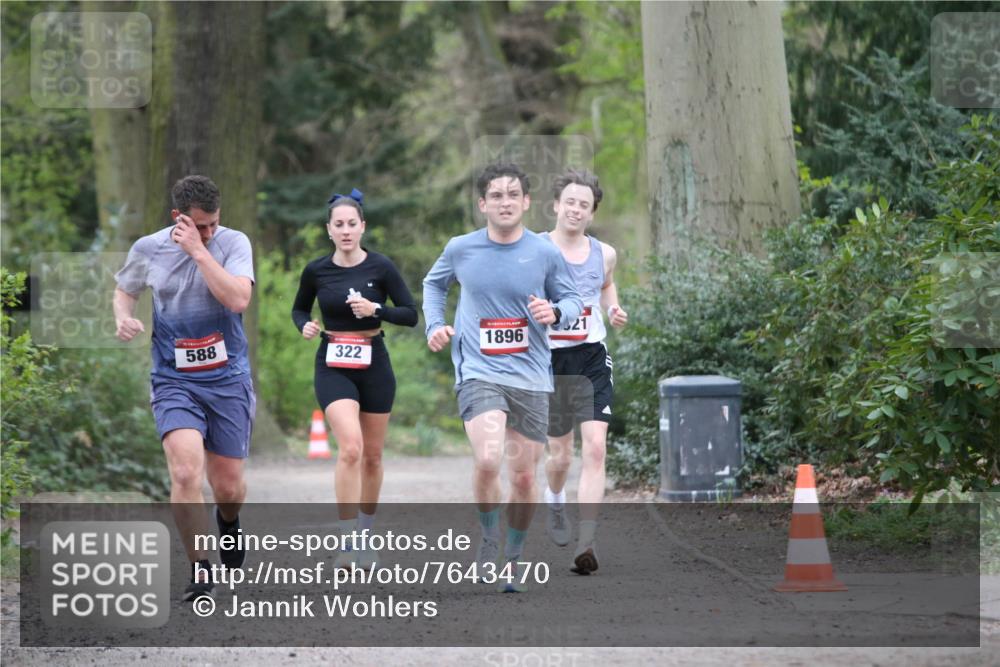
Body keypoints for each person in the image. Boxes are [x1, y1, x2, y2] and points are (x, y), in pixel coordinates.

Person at [422, 162, 583, 593]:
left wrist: (557, 312)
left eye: (513, 194)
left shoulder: (545, 251)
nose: (505, 201)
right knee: (489, 459)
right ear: (482, 204)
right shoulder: (461, 248)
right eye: (496, 195)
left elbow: (571, 298)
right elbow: (433, 285)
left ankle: (513, 556)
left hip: (530, 375)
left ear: (527, 203)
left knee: (525, 477)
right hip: (479, 370)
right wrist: (434, 324)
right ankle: (487, 538)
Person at [114, 175, 255, 602]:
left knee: (227, 487)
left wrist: (199, 251)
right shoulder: (148, 248)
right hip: (174, 378)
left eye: (214, 223)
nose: (210, 232)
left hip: (227, 378)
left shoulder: (234, 244)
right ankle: (199, 569)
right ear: (179, 218)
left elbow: (237, 300)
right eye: (200, 226)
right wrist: (122, 316)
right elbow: (125, 290)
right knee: (185, 471)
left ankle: (228, 523)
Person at [292, 188, 418, 571]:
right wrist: (306, 326)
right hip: (332, 361)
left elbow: (410, 314)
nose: (345, 231)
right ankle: (347, 542)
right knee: (350, 448)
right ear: (328, 230)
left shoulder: (381, 267)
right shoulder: (317, 270)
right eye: (338, 225)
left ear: (362, 227)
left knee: (373, 457)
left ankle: (366, 535)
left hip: (374, 360)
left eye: (352, 224)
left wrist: (376, 309)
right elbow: (299, 308)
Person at [541, 169, 627, 575]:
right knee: (560, 454)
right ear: (556, 205)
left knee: (594, 448)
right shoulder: (533, 250)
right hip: (549, 360)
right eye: (570, 202)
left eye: (585, 205)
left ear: (592, 213)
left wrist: (612, 308)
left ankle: (587, 542)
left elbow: (606, 284)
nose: (576, 209)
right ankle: (554, 497)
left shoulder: (604, 253)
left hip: (591, 355)